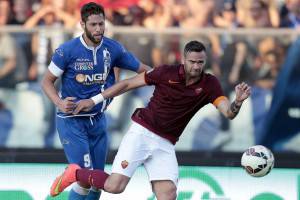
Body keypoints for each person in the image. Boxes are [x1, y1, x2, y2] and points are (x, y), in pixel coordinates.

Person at [49, 41, 251, 200]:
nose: (196, 66)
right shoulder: (166, 73)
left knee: (168, 194)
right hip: (142, 133)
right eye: (192, 62)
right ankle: (76, 173)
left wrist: (238, 102)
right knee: (114, 186)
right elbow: (127, 84)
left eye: (200, 62)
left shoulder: (210, 84)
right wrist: (94, 100)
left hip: (166, 143)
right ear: (184, 60)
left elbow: (228, 112)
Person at [41, 2, 150, 200]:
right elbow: (46, 81)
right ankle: (71, 175)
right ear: (82, 24)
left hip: (98, 120)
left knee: (97, 183)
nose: (99, 29)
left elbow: (143, 69)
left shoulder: (113, 48)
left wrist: (167, 77)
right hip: (72, 121)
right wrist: (59, 102)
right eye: (93, 25)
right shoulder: (67, 50)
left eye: (101, 24)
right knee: (85, 180)